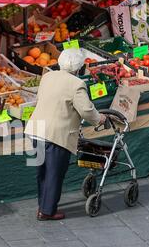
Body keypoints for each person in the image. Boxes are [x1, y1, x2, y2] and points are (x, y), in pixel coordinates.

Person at [24, 48, 106, 221]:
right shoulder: (76, 84)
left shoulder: (47, 77)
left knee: (42, 172)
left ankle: (43, 205)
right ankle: (47, 211)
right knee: (54, 173)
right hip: (57, 134)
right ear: (79, 68)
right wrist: (100, 119)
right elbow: (86, 110)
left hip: (36, 130)